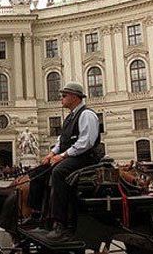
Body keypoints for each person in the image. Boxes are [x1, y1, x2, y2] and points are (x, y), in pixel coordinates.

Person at [40, 81, 101, 242]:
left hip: (86, 159)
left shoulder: (87, 115)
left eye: (64, 95)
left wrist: (63, 156)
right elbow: (62, 140)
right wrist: (51, 154)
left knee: (59, 172)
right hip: (73, 157)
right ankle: (43, 215)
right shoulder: (70, 117)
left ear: (74, 97)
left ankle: (61, 224)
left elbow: (86, 142)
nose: (61, 98)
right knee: (43, 169)